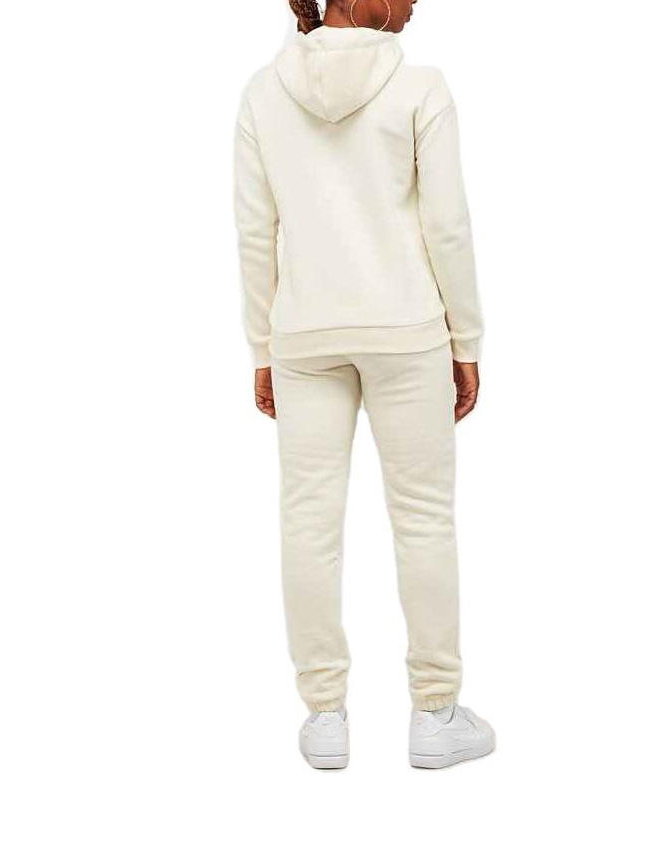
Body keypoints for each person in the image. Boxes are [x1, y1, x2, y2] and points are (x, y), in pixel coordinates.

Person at [234, 0, 494, 769]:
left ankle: (324, 719)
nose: (416, 3)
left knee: (308, 523)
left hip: (304, 336)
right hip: (407, 331)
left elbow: (254, 230)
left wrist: (262, 348)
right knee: (423, 520)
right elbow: (447, 225)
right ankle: (435, 714)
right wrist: (466, 339)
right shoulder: (420, 86)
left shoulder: (264, 92)